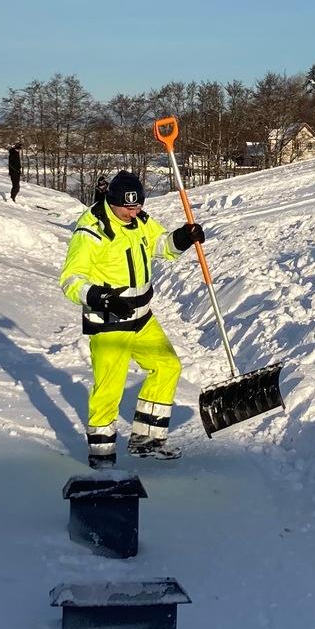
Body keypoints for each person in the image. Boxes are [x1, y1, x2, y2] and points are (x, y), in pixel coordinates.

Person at [59, 171, 205, 467]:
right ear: (111, 201)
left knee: (167, 366)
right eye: (127, 207)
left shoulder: (140, 220)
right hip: (109, 322)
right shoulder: (90, 231)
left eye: (137, 205)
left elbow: (160, 245)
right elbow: (70, 280)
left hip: (142, 318)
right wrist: (101, 297)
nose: (133, 212)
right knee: (109, 389)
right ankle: (102, 456)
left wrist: (183, 238)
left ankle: (147, 440)